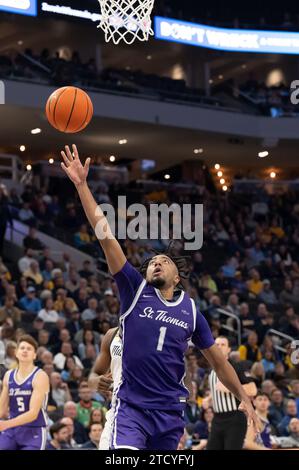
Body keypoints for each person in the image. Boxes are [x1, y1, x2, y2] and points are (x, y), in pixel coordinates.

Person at [61, 144, 259, 450]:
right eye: (152, 261)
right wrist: (81, 185)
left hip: (169, 412)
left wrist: (243, 397)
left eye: (163, 261)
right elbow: (105, 234)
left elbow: (220, 364)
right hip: (131, 409)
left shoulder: (191, 311)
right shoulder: (134, 289)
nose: (155, 262)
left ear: (177, 277)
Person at [206, 336, 257, 450]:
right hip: (217, 419)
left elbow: (253, 389)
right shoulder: (212, 368)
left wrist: (229, 388)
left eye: (223, 345)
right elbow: (217, 388)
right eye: (216, 345)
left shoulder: (234, 366)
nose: (219, 347)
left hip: (234, 419)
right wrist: (209, 398)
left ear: (229, 349)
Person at [0, 335, 49, 450]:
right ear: (16, 353)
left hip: (34, 430)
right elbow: (1, 410)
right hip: (12, 430)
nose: (25, 351)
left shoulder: (40, 376)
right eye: (22, 348)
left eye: (29, 348)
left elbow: (33, 413)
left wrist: (6, 424)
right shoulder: (8, 375)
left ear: (34, 355)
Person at [88, 327, 122, 450]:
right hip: (120, 410)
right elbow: (93, 376)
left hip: (153, 409)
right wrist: (96, 381)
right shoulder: (112, 334)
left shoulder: (159, 329)